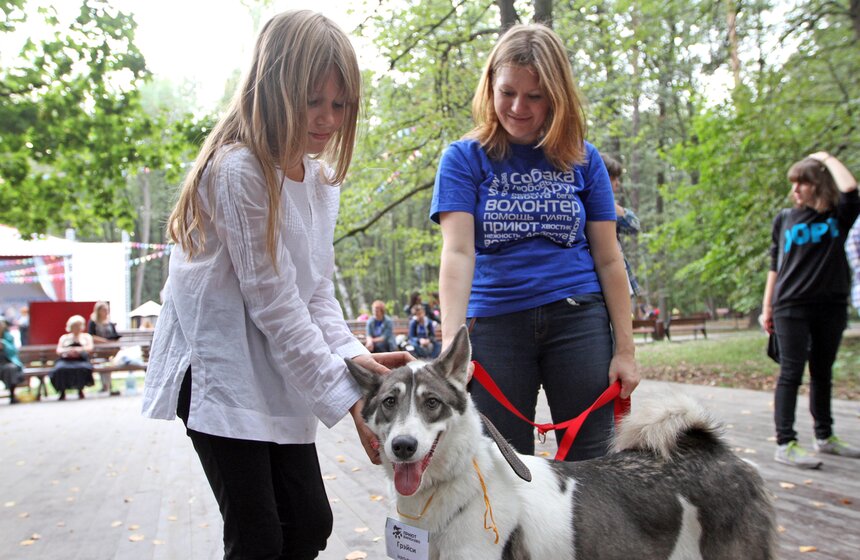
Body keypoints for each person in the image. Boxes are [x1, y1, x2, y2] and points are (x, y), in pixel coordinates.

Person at [140, 11, 411, 559]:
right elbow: (276, 305)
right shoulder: (238, 171)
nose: (329, 118)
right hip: (221, 371)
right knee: (259, 537)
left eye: (340, 105)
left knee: (309, 524)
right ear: (276, 87)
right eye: (315, 100)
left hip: (274, 366)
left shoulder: (317, 182)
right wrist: (351, 403)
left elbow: (314, 294)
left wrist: (360, 367)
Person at [431, 23, 638, 461]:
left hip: (578, 319)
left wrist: (626, 350)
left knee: (595, 467)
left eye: (535, 96)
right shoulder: (463, 158)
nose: (518, 107)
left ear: (557, 96)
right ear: (490, 86)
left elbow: (609, 258)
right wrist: (453, 349)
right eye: (507, 92)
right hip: (495, 324)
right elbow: (457, 253)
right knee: (498, 466)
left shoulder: (585, 158)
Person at [761, 151, 860, 469]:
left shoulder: (837, 216)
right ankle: (786, 442)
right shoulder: (785, 218)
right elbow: (775, 264)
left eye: (802, 182)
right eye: (793, 184)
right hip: (790, 304)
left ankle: (824, 436)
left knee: (823, 372)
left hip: (831, 304)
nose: (796, 190)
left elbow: (850, 189)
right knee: (791, 372)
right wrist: (768, 307)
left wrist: (827, 158)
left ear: (817, 184)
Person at [602, 155, 641, 297]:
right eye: (613, 179)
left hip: (617, 273)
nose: (617, 183)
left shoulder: (611, 207)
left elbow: (634, 225)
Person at [50, 315, 95, 401]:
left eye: (78, 326)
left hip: (80, 359)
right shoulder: (65, 338)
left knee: (82, 368)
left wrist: (78, 350)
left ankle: (80, 389)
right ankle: (62, 391)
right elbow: (59, 350)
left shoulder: (86, 337)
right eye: (74, 326)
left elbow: (90, 348)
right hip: (66, 360)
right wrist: (68, 351)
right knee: (60, 369)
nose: (77, 328)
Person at [88, 301, 121, 395]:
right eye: (104, 310)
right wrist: (105, 341)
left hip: (111, 349)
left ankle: (108, 385)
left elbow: (115, 335)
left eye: (107, 310)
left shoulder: (110, 323)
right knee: (102, 363)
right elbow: (91, 336)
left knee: (109, 364)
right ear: (98, 311)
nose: (106, 312)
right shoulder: (93, 322)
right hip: (99, 349)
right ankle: (105, 385)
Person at [1, 318, 24, 404]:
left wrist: (4, 345)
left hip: (6, 362)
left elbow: (14, 351)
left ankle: (12, 395)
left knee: (11, 369)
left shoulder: (8, 337)